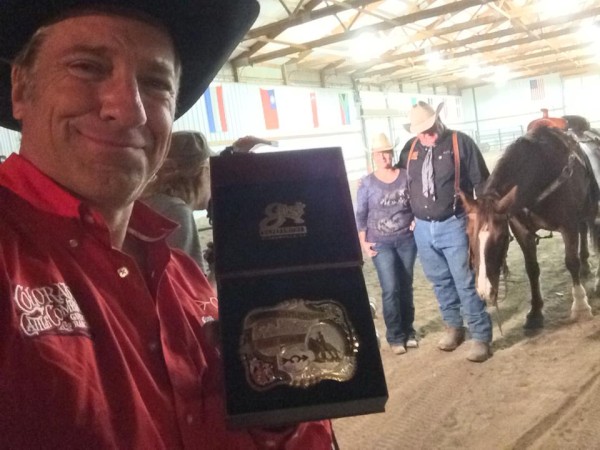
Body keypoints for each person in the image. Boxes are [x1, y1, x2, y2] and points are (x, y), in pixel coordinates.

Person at [0, 1, 333, 448]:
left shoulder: (186, 280)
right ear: (21, 88)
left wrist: (279, 408)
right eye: (87, 67)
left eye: (156, 83)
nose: (130, 109)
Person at [397, 101, 493, 363]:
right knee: (439, 281)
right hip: (422, 227)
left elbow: (482, 182)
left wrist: (482, 217)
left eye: (429, 128)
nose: (426, 135)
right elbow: (400, 181)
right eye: (421, 131)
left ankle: (480, 335)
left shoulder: (461, 143)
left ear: (438, 121)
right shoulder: (411, 148)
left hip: (454, 223)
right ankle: (453, 326)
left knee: (465, 280)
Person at [356, 133, 417, 355]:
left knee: (406, 285)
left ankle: (409, 331)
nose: (383, 157)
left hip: (406, 240)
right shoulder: (367, 183)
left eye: (386, 152)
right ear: (373, 156)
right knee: (390, 288)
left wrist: (416, 219)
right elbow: (361, 214)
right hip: (380, 243)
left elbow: (417, 201)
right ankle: (395, 336)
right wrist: (364, 242)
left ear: (392, 153)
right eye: (378, 153)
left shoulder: (406, 176)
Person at [142, 130, 212, 273]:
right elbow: (185, 286)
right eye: (210, 172)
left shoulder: (151, 203)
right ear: (202, 172)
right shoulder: (176, 213)